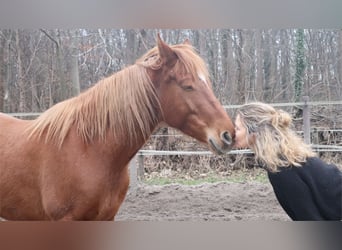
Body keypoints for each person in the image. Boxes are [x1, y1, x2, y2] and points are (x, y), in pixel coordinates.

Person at [233, 102, 342, 221]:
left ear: (254, 132)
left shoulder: (281, 169)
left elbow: (309, 218)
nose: (233, 132)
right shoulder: (285, 159)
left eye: (238, 128)